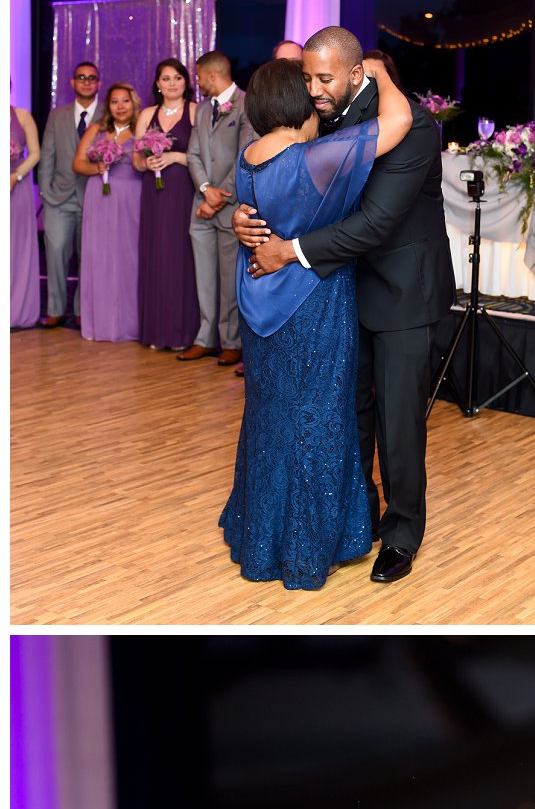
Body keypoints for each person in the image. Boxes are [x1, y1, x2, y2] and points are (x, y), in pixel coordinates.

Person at [234, 33, 455, 585]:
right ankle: (355, 518)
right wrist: (245, 215)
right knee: (346, 412)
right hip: (337, 293)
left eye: (323, 80)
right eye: (307, 79)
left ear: (357, 74)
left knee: (398, 419)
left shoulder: (413, 127)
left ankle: (403, 533)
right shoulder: (322, 123)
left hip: (403, 292)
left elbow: (375, 223)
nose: (313, 91)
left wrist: (288, 249)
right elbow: (288, 185)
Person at [176, 51, 247, 366]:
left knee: (229, 280)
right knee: (203, 277)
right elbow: (192, 154)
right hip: (202, 206)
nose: (198, 82)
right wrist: (206, 191)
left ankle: (231, 341)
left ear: (212, 75)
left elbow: (245, 154)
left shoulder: (246, 104)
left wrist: (222, 195)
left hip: (229, 207)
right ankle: (205, 338)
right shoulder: (202, 109)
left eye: (199, 76)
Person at [132, 59, 200, 353]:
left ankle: (184, 333)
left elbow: (203, 157)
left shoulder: (196, 111)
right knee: (156, 255)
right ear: (157, 84)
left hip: (184, 191)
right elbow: (135, 159)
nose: (172, 83)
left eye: (177, 78)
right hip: (154, 194)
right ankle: (156, 331)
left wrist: (174, 157)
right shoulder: (147, 114)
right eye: (165, 78)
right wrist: (145, 161)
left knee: (181, 256)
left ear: (186, 82)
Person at [73, 82, 143, 344]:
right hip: (99, 199)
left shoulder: (141, 129)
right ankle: (99, 322)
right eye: (115, 102)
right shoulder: (96, 130)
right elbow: (77, 163)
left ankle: (130, 323)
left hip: (131, 200)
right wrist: (98, 168)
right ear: (108, 105)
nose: (120, 107)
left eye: (125, 101)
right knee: (99, 258)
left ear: (133, 103)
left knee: (129, 257)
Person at [37, 59, 100, 329]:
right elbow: (47, 156)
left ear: (98, 84)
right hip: (58, 200)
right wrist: (45, 192)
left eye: (91, 78)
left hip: (95, 200)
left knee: (89, 257)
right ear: (72, 82)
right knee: (55, 254)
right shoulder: (57, 115)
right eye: (80, 77)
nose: (86, 81)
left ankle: (83, 311)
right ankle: (54, 310)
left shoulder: (108, 116)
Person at [11, 100, 42, 328]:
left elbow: (34, 153)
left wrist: (16, 176)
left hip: (15, 188)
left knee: (15, 248)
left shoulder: (21, 116)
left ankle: (15, 310)